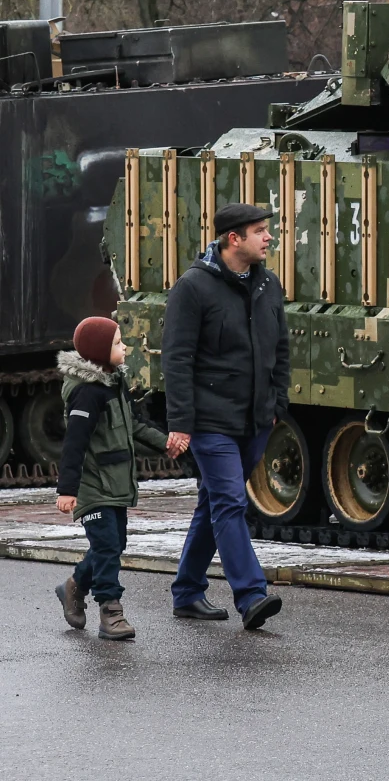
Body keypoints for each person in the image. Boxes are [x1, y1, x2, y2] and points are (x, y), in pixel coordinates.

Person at [163, 203, 289, 630]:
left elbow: (281, 351)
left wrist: (277, 406)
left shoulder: (268, 284)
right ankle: (251, 594)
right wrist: (181, 421)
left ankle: (186, 591)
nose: (268, 237)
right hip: (209, 422)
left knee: (213, 503)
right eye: (259, 231)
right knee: (231, 503)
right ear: (233, 239)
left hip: (255, 420)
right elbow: (176, 361)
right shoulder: (193, 288)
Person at [54, 317, 180, 640]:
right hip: (92, 485)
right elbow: (74, 445)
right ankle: (111, 612)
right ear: (98, 352)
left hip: (117, 482)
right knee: (108, 546)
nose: (124, 348)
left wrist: (164, 442)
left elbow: (134, 426)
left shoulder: (114, 383)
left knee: (115, 543)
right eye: (117, 344)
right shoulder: (87, 395)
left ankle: (74, 585)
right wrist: (67, 490)